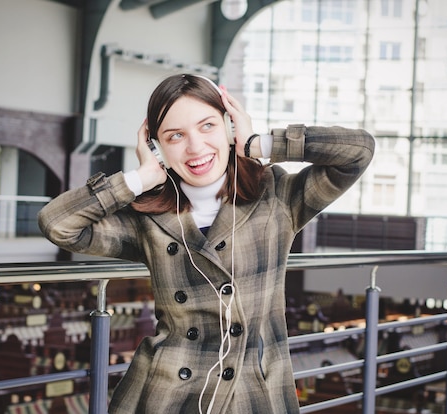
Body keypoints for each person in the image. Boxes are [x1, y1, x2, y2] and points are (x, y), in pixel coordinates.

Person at [38, 73, 375, 413]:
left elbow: (358, 152)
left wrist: (260, 145)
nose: (195, 147)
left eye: (207, 126)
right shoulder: (146, 220)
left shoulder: (276, 196)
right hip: (167, 392)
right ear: (157, 146)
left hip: (256, 389)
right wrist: (141, 178)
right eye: (175, 136)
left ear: (229, 126)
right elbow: (58, 225)